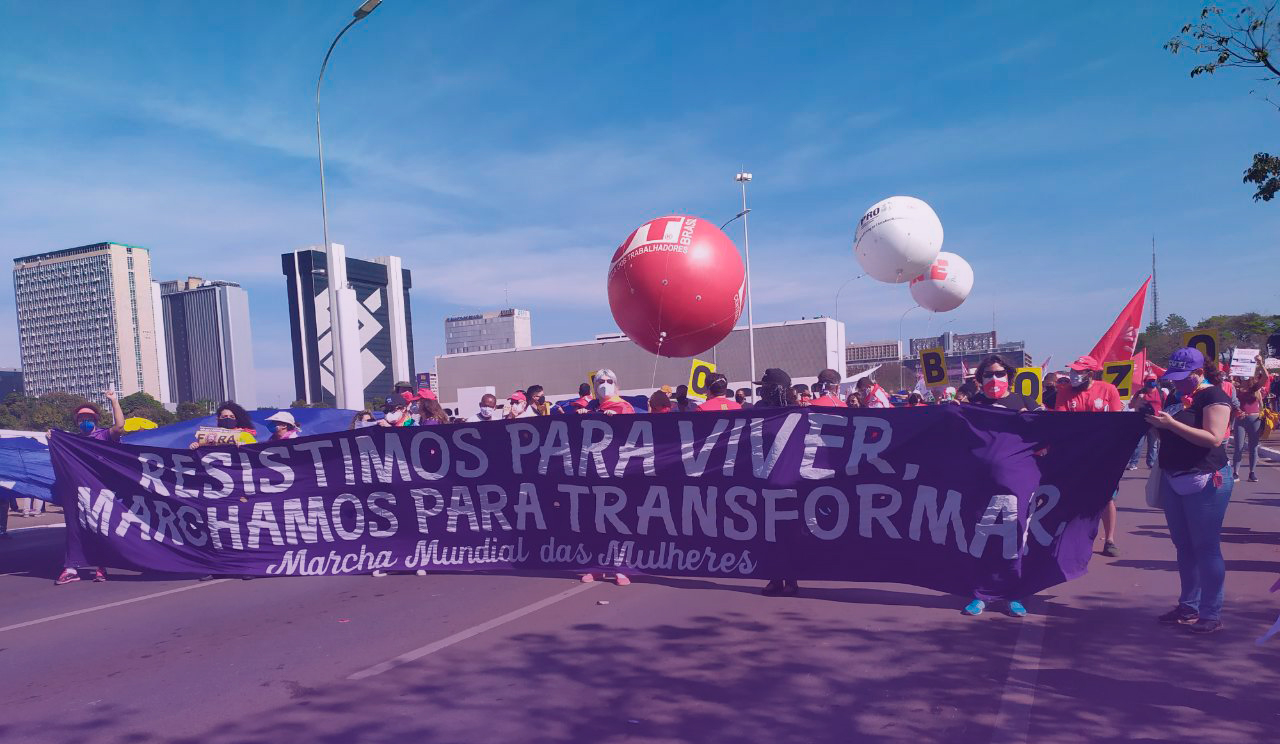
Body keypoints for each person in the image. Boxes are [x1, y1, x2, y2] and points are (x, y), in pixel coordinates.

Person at [1147, 347, 1234, 634]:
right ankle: (1188, 606)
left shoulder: (1214, 397)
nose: (1175, 382)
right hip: (1175, 476)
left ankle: (1211, 612)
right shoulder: (1176, 396)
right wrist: (1154, 422)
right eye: (1173, 377)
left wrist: (1171, 423)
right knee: (1183, 546)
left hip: (1206, 478)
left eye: (1182, 377)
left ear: (1199, 373)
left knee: (1206, 547)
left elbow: (1214, 439)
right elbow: (1167, 435)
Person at [961, 356, 1043, 618]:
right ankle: (980, 593)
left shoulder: (1026, 404)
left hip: (1018, 484)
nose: (993, 379)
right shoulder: (972, 405)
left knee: (1015, 537)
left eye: (999, 374)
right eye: (987, 375)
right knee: (980, 537)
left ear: (1009, 376)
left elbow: (1049, 439)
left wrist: (1032, 422)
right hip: (980, 484)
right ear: (980, 379)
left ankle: (1013, 593)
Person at [1054, 355, 1124, 557]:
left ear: (1090, 374)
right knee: (1074, 496)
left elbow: (1116, 421)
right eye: (1072, 371)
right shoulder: (1064, 392)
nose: (1073, 375)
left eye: (1078, 372)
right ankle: (1074, 538)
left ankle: (1109, 539)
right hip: (1076, 454)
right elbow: (1062, 421)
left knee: (1107, 498)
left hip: (1104, 454)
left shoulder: (1108, 390)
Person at [56, 391, 124, 585]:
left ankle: (101, 566)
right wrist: (52, 437)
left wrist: (114, 401)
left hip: (102, 491)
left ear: (95, 420)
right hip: (78, 493)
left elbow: (119, 426)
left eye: (89, 418)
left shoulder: (104, 435)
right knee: (75, 529)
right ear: (77, 422)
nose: (85, 421)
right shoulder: (72, 441)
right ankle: (71, 568)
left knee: (99, 528)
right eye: (81, 418)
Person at [752, 368, 800, 597]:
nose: (762, 392)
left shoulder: (797, 411)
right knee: (768, 531)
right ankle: (774, 578)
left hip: (790, 479)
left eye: (767, 387)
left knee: (789, 531)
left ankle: (791, 579)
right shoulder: (757, 410)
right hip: (764, 478)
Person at [1232, 355, 1269, 483]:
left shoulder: (1255, 388)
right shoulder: (1235, 388)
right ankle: (1235, 472)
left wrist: (1260, 363)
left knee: (1253, 447)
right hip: (1240, 420)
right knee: (1238, 447)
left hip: (1254, 419)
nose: (1245, 379)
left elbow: (1265, 377)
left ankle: (1252, 473)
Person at [1128, 374, 1164, 469]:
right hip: (1141, 421)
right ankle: (1133, 463)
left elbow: (1166, 406)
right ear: (1145, 382)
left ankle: (1151, 463)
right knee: (1138, 443)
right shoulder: (1140, 393)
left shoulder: (1161, 393)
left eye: (1154, 380)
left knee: (1153, 444)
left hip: (1155, 421)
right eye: (1149, 380)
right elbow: (1131, 406)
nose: (1152, 382)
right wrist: (1139, 399)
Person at [190, 400, 257, 449]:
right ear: (218, 419)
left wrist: (246, 447)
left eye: (232, 417)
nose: (228, 419)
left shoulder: (245, 435)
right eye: (224, 417)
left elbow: (256, 450)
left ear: (237, 420)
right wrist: (195, 447)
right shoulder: (209, 435)